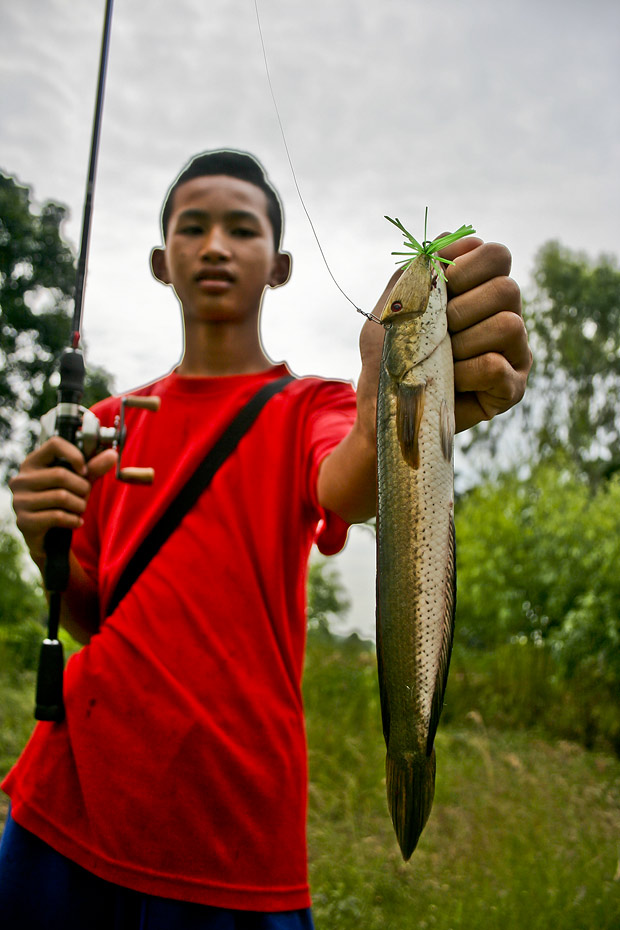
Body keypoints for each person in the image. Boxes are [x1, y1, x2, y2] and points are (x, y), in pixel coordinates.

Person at [0, 150, 531, 928]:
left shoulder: (309, 408)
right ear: (162, 260)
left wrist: (395, 399)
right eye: (194, 227)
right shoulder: (107, 422)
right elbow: (95, 618)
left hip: (235, 844)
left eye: (241, 229)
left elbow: (351, 472)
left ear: (278, 264)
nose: (216, 245)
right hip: (63, 809)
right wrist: (39, 533)